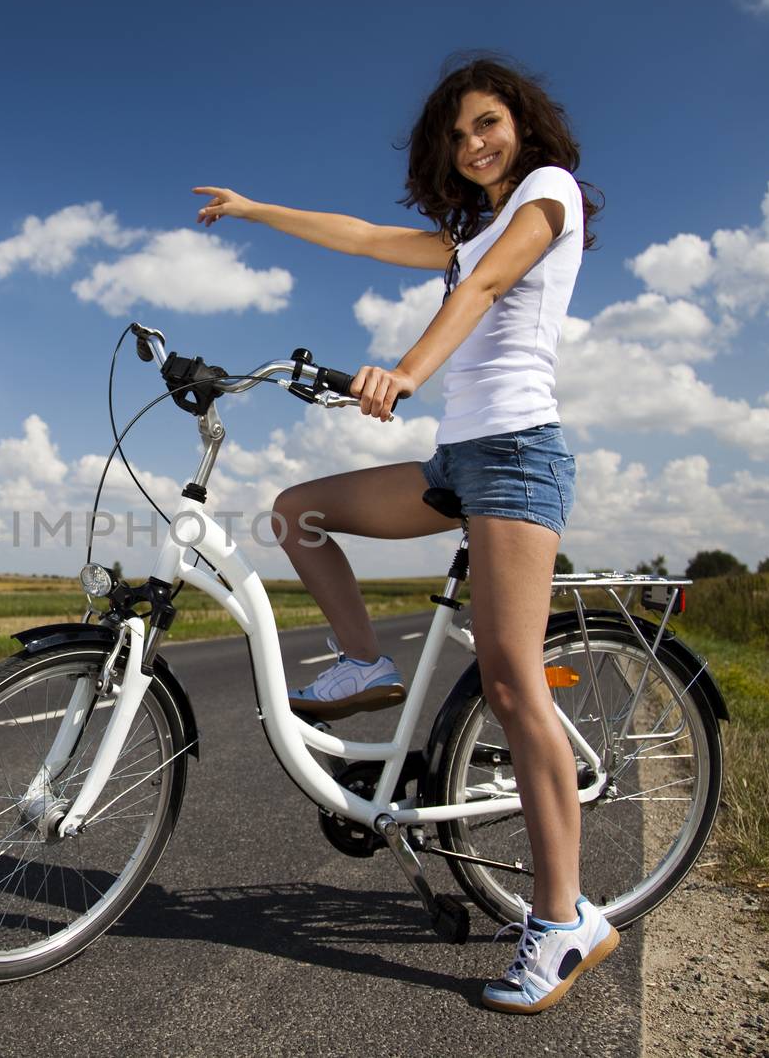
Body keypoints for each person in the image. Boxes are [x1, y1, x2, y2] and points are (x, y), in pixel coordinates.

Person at [193, 56, 611, 1014]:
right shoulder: (467, 233)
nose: (475, 143)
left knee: (509, 678)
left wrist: (409, 370)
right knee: (298, 511)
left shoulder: (547, 195)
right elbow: (367, 236)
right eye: (459, 134)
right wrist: (257, 209)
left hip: (516, 458)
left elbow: (490, 289)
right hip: (455, 467)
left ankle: (562, 919)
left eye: (489, 123)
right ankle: (363, 664)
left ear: (524, 124)